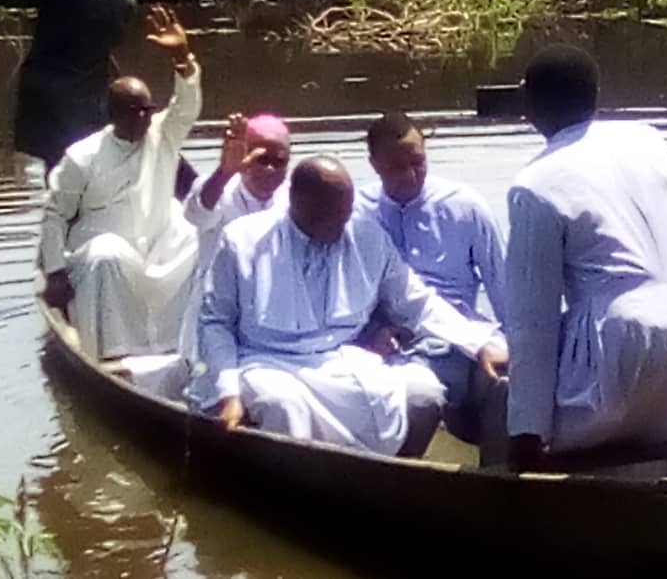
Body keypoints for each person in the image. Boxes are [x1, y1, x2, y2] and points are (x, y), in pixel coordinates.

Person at [197, 156, 508, 456]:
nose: (339, 226)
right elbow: (215, 322)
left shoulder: (365, 234)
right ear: (295, 201)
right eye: (328, 216)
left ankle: (390, 479)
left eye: (344, 214)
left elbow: (416, 302)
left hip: (341, 360)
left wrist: (479, 344)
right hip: (265, 360)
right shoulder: (242, 239)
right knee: (282, 405)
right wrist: (228, 392)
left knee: (423, 395)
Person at [499, 44, 667, 471]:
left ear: (529, 104)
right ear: (596, 94)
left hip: (620, 342)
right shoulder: (646, 140)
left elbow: (532, 322)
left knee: (511, 412)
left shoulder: (534, 186)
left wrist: (525, 435)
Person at [40, 6, 202, 363]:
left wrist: (181, 57)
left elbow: (185, 107)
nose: (144, 118)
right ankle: (115, 356)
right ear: (113, 114)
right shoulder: (82, 156)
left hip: (156, 248)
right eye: (134, 111)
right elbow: (54, 216)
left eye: (147, 109)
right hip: (99, 256)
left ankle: (187, 345)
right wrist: (54, 274)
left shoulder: (163, 135)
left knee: (196, 238)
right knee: (107, 252)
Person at [355, 112, 506, 439]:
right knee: (414, 398)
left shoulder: (466, 206)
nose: (411, 175)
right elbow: (343, 294)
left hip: (460, 338)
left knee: (508, 384)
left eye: (418, 162)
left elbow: (504, 289)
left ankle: (501, 477)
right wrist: (373, 330)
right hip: (389, 344)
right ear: (374, 164)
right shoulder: (355, 213)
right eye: (396, 167)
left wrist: (517, 345)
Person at [5, 0, 137, 171]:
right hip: (88, 104)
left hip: (47, 101)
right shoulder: (125, 1)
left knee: (57, 174)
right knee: (84, 172)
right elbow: (111, 41)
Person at [178, 113, 291, 390]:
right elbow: (196, 214)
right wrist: (225, 172)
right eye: (261, 159)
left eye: (279, 162)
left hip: (272, 314)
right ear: (243, 154)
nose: (270, 169)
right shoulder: (220, 189)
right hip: (214, 315)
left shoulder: (293, 198)